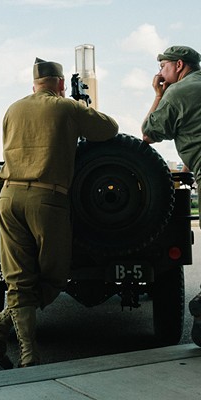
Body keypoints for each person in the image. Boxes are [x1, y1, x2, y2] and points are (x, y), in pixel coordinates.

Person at [0, 57, 118, 368]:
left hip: (8, 197)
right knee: (52, 279)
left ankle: (21, 350)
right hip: (46, 200)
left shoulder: (13, 108)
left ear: (34, 84)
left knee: (18, 280)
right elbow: (109, 129)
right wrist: (80, 107)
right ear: (61, 84)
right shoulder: (66, 107)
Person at [142, 45, 201, 347]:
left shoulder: (177, 93)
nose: (159, 74)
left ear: (179, 66)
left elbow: (148, 134)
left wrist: (159, 93)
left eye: (163, 67)